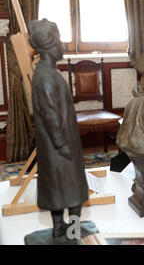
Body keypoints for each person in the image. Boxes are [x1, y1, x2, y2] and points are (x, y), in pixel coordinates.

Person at [29, 18, 89, 239]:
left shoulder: (47, 73)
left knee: (57, 188)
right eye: (59, 41)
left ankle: (59, 228)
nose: (61, 45)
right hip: (60, 146)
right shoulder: (45, 76)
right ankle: (71, 230)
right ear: (50, 45)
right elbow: (50, 114)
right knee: (72, 191)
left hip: (57, 145)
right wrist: (62, 143)